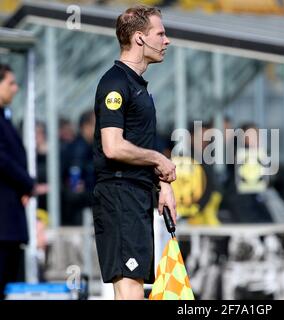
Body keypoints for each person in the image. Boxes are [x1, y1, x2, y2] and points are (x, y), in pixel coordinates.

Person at [92, 6, 177, 300]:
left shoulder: (139, 87)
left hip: (135, 196)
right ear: (140, 38)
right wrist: (158, 159)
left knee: (134, 286)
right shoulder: (115, 83)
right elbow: (113, 146)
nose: (167, 41)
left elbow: (138, 144)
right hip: (119, 196)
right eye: (161, 34)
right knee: (130, 288)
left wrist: (162, 185)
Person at [0, 64, 35, 300]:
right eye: (10, 83)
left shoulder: (5, 117)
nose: (16, 88)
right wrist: (27, 183)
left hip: (9, 219)